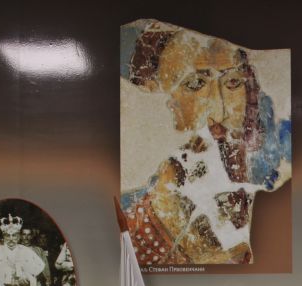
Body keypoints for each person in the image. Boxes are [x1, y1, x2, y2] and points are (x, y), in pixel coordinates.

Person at [123, 21, 292, 264]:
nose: (219, 111)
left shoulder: (268, 190)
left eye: (233, 82)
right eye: (195, 84)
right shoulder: (140, 227)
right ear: (156, 99)